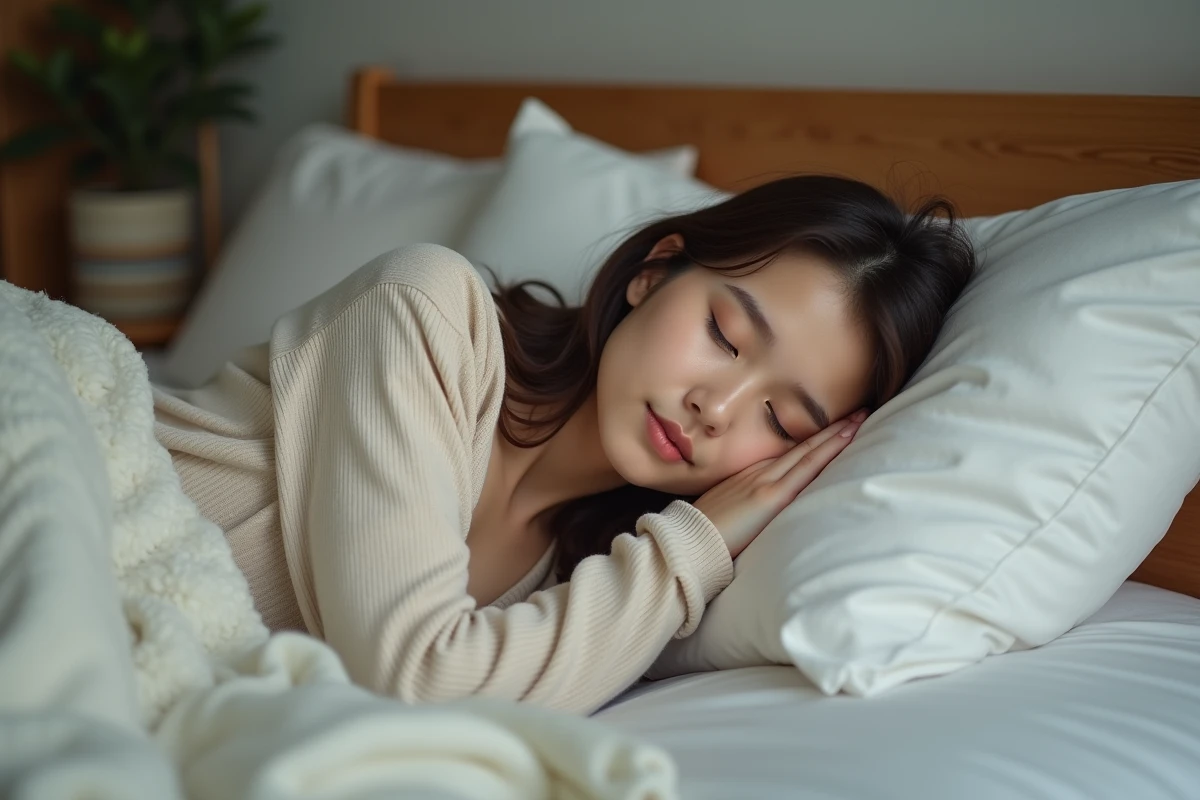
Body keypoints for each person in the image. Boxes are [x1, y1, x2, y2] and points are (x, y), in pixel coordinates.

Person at [152, 174, 976, 714]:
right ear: (655, 272)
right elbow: (417, 678)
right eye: (725, 335)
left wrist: (697, 546)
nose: (715, 407)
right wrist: (689, 549)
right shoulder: (427, 312)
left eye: (783, 422)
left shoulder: (591, 583)